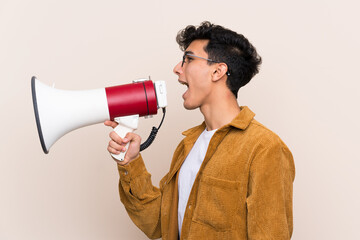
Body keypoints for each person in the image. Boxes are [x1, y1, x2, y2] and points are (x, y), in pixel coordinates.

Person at [105, 21, 295, 240]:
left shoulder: (264, 148)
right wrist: (130, 162)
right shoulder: (189, 144)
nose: (177, 68)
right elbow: (157, 223)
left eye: (189, 59)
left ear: (218, 71)